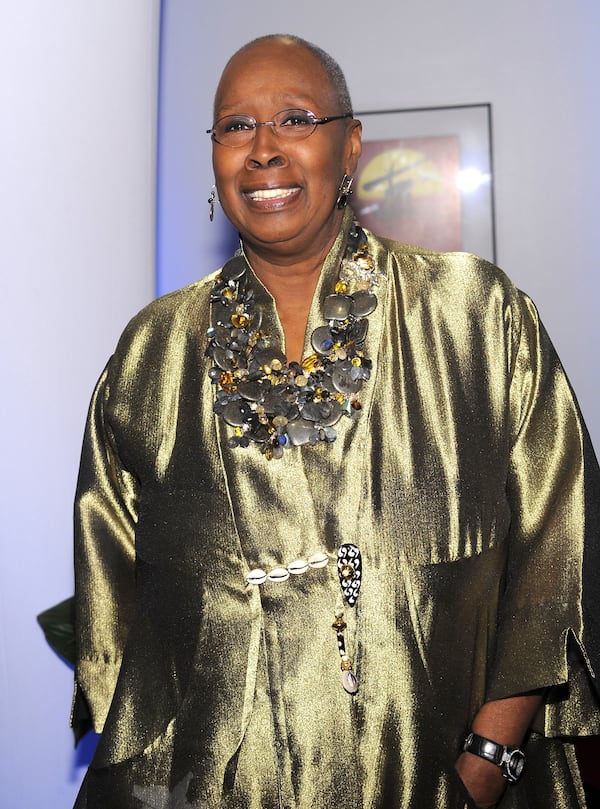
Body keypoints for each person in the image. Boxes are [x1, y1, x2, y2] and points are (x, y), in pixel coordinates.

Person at [71, 33, 600, 809]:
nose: (262, 150)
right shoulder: (152, 348)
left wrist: (488, 759)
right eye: (236, 126)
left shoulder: (478, 317)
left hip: (434, 772)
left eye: (294, 118)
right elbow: (109, 603)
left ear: (350, 146)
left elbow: (562, 545)